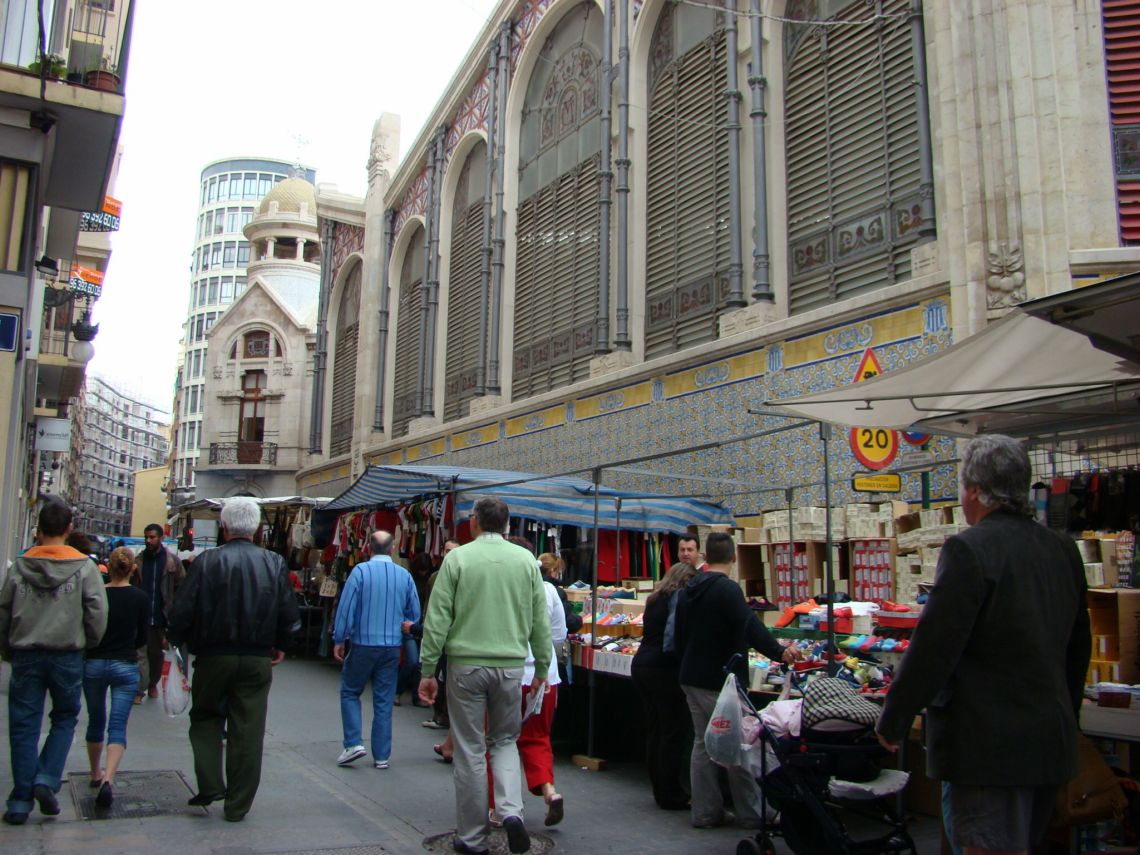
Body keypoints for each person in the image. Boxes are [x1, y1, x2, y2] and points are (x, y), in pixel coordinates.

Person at [876, 435, 1091, 855]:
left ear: (974, 490)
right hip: (1048, 744)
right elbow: (1077, 646)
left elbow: (935, 647)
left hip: (987, 750)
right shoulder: (1062, 548)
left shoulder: (969, 550)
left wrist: (895, 717)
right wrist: (1068, 717)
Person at [419, 497, 552, 855]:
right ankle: (511, 812)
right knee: (505, 740)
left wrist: (428, 669)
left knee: (470, 749)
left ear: (475, 521)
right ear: (507, 525)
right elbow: (540, 619)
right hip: (509, 666)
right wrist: (541, 666)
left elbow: (437, 618)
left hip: (465, 665)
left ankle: (473, 836)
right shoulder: (525, 560)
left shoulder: (458, 559)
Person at [167, 497, 299, 822]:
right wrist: (281, 643)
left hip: (213, 656)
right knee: (249, 728)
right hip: (256, 658)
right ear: (256, 529)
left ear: (224, 528)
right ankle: (238, 805)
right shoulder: (274, 562)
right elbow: (288, 613)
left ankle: (211, 783)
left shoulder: (207, 562)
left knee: (206, 718)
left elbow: (183, 610)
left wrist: (174, 642)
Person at [674, 531, 797, 829]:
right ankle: (752, 813)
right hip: (721, 681)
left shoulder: (690, 588)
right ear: (733, 557)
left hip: (691, 676)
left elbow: (678, 633)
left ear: (704, 554)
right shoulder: (727, 590)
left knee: (703, 744)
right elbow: (749, 626)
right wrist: (780, 652)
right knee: (739, 744)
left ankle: (704, 811)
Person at [0, 499, 107, 826]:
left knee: (23, 725)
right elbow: (98, 613)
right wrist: (87, 642)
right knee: (64, 717)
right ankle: (46, 778)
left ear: (39, 529)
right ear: (68, 529)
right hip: (67, 653)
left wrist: (7, 648)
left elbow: (4, 610)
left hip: (27, 654)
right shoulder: (85, 567)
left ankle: (20, 800)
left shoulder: (19, 567)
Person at [332, 530, 420, 769]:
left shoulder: (359, 572)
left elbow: (346, 606)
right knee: (383, 699)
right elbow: (414, 614)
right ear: (393, 548)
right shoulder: (404, 575)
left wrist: (339, 638)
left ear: (368, 547)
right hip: (391, 646)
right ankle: (381, 755)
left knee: (350, 691)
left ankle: (353, 743)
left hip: (363, 643)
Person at [489, 567, 568, 828]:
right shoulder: (549, 590)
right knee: (538, 737)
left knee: (499, 740)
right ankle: (549, 791)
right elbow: (558, 634)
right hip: (545, 675)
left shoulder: (502, 587)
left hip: (510, 672)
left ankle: (498, 806)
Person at [82, 546, 149, 808]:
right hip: (125, 664)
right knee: (118, 726)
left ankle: (94, 773)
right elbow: (142, 637)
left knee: (95, 720)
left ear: (108, 567)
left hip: (95, 663)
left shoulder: (97, 595)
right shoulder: (140, 598)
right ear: (133, 569)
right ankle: (109, 779)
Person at [631, 561, 700, 810]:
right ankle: (671, 792)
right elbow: (673, 638)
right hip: (663, 668)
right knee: (672, 732)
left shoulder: (654, 598)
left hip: (642, 664)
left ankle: (660, 788)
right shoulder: (678, 599)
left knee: (656, 729)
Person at [134, 523, 185, 702]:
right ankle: (139, 690)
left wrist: (175, 612)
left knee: (156, 656)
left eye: (152, 537)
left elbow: (181, 587)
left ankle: (152, 683)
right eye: (146, 537)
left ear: (161, 538)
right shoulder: (138, 561)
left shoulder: (172, 562)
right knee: (140, 654)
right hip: (142, 616)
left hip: (161, 616)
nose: (148, 540)